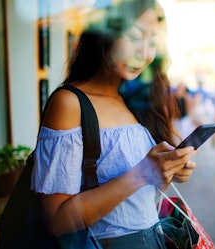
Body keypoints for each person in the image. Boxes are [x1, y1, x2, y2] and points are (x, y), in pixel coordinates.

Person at [30, 1, 197, 248]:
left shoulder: (138, 99)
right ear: (102, 33)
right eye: (134, 37)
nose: (144, 53)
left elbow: (139, 198)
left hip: (155, 239)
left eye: (153, 43)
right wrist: (142, 173)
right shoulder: (70, 103)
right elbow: (58, 220)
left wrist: (168, 170)